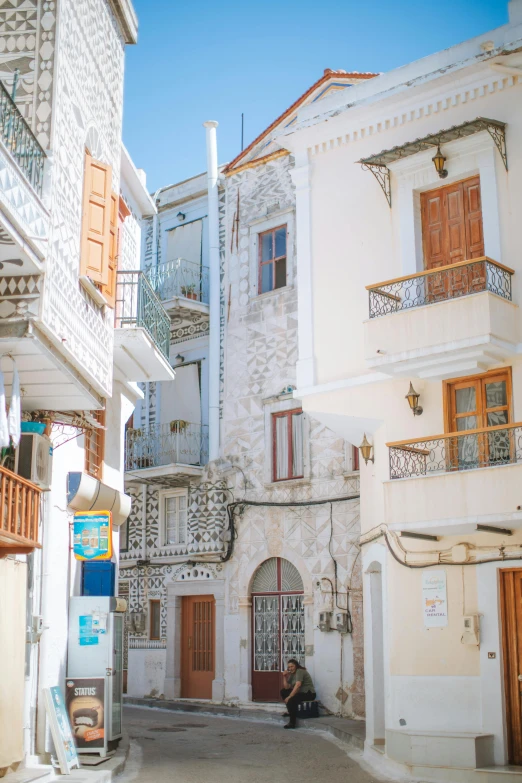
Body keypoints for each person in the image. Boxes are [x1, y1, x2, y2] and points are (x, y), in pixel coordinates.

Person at [280, 658, 316, 729]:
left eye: (292, 666)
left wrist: (289, 696)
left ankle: (292, 723)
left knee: (291, 699)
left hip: (309, 694)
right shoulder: (292, 674)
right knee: (283, 691)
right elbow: (287, 687)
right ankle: (290, 711)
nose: (290, 668)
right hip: (300, 693)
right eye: (289, 667)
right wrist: (284, 676)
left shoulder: (300, 671)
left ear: (296, 666)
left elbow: (298, 685)